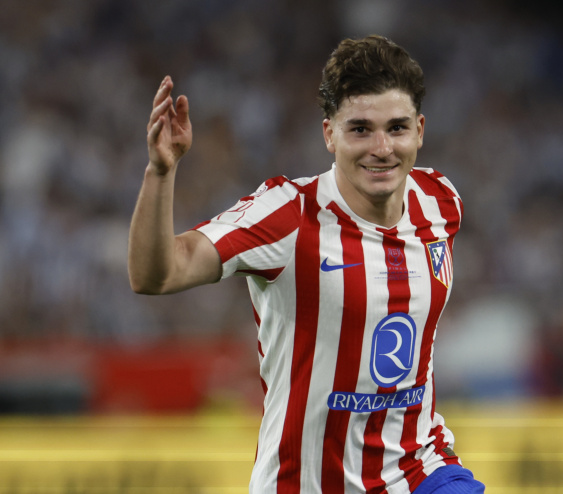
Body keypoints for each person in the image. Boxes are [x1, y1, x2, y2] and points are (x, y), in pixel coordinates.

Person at [129, 35, 486, 494]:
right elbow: (155, 275)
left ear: (420, 129)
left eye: (396, 128)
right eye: (360, 129)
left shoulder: (441, 202)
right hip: (307, 484)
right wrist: (161, 173)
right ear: (329, 134)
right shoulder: (287, 214)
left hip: (420, 471)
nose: (382, 147)